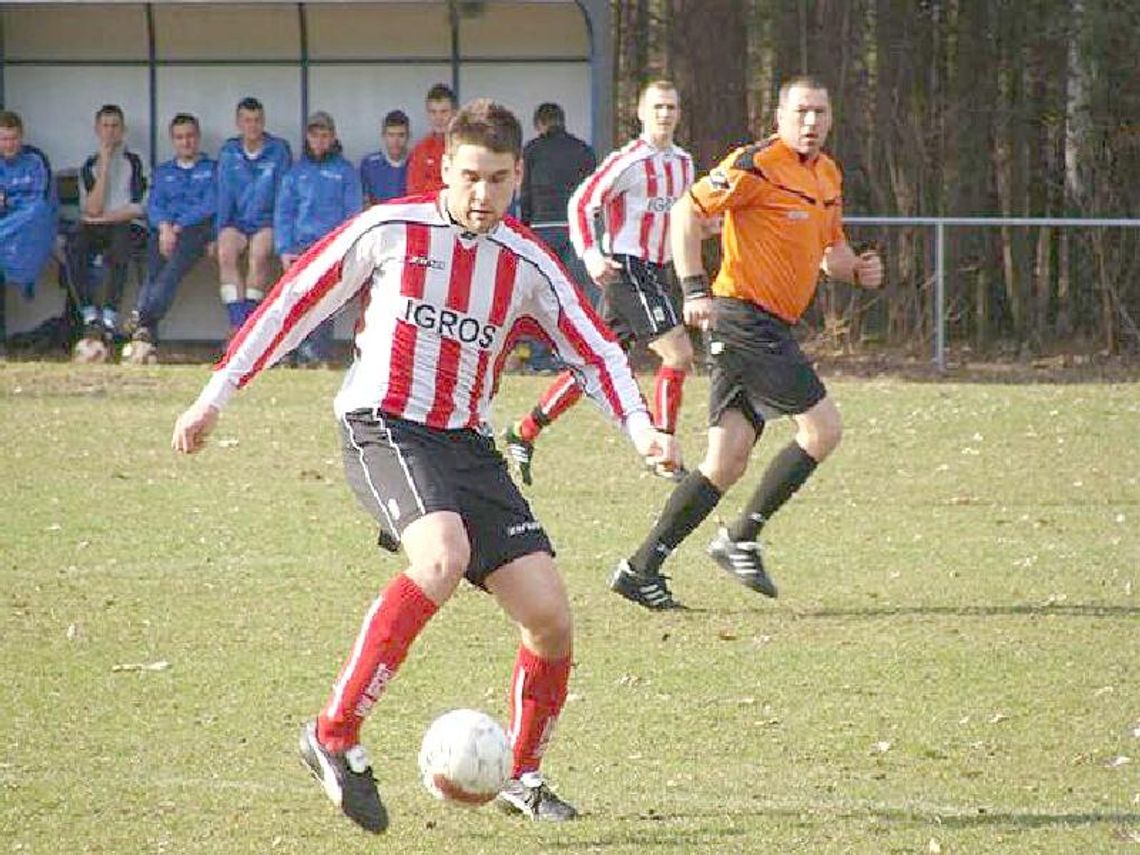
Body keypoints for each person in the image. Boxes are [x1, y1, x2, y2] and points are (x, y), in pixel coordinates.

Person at [170, 98, 678, 833]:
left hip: (467, 444)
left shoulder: (527, 262)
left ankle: (522, 773)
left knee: (550, 617)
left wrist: (642, 429)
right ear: (446, 166)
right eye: (470, 176)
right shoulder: (391, 229)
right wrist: (215, 394)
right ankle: (334, 734)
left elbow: (596, 349)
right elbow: (294, 302)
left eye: (499, 180)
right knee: (442, 556)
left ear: (518, 175)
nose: (482, 195)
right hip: (384, 423)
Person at [609, 75, 885, 611]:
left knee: (726, 459)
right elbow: (686, 211)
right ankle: (741, 537)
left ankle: (639, 569)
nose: (811, 123)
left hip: (769, 326)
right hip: (743, 320)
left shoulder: (827, 174)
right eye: (801, 112)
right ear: (779, 116)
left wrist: (859, 271)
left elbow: (833, 255)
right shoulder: (756, 163)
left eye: (820, 113)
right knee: (823, 428)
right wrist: (693, 288)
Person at [503, 80, 694, 486]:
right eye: (657, 106)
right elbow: (583, 201)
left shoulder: (683, 163)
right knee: (677, 354)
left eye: (671, 107)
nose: (665, 114)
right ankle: (664, 451)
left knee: (595, 364)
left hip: (656, 271)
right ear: (641, 112)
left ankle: (525, 430)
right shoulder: (630, 160)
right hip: (628, 270)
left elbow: (684, 217)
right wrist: (590, 252)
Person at [122, 113, 216, 364]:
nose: (185, 142)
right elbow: (154, 204)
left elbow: (210, 204)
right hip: (163, 232)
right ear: (172, 140)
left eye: (190, 136)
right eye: (179, 137)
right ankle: (144, 329)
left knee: (171, 271)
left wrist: (177, 227)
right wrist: (164, 227)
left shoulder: (210, 169)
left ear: (198, 138)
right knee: (153, 271)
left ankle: (141, 316)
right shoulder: (164, 172)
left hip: (195, 231)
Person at [274, 110, 363, 366]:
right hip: (300, 248)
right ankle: (292, 352)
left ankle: (316, 354)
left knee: (324, 301)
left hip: (331, 247)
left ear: (333, 138)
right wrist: (284, 248)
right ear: (307, 138)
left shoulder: (345, 172)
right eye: (315, 136)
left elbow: (352, 214)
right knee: (297, 301)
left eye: (325, 136)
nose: (320, 141)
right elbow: (285, 212)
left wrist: (342, 248)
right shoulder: (295, 173)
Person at [515, 102, 597, 372]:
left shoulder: (533, 151)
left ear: (539, 125)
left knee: (542, 295)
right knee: (570, 297)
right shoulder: (583, 150)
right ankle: (571, 354)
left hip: (542, 228)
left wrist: (525, 227)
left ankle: (540, 357)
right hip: (574, 229)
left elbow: (524, 194)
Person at [68, 104, 146, 355]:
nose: (110, 132)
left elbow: (138, 208)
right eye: (105, 126)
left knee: (119, 245)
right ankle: (91, 316)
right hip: (97, 227)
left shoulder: (134, 162)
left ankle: (110, 318)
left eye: (115, 126)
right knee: (74, 245)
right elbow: (92, 208)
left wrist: (104, 219)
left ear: (123, 130)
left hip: (126, 226)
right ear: (97, 130)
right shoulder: (89, 165)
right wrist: (104, 165)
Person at [215, 96, 292, 339]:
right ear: (238, 123)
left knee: (258, 256)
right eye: (247, 121)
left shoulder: (278, 150)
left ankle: (248, 323)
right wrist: (218, 232)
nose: (252, 126)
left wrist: (283, 237)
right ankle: (239, 323)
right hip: (237, 222)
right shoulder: (229, 151)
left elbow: (284, 195)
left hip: (267, 222)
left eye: (257, 120)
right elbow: (224, 195)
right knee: (225, 252)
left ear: (263, 121)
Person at [0, 110, 57, 356]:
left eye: (13, 139)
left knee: (35, 213)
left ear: (21, 137)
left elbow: (41, 204)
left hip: (30, 229)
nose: (9, 144)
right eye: (3, 139)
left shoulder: (35, 159)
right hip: (5, 229)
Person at [405, 83, 456, 194]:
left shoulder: (467, 147)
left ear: (454, 113)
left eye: (444, 112)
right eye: (433, 112)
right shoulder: (420, 150)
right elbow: (414, 192)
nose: (438, 118)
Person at [359, 109, 410, 205]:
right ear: (383, 136)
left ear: (408, 136)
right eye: (391, 135)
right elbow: (363, 201)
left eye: (401, 135)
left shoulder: (416, 163)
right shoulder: (369, 164)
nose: (396, 141)